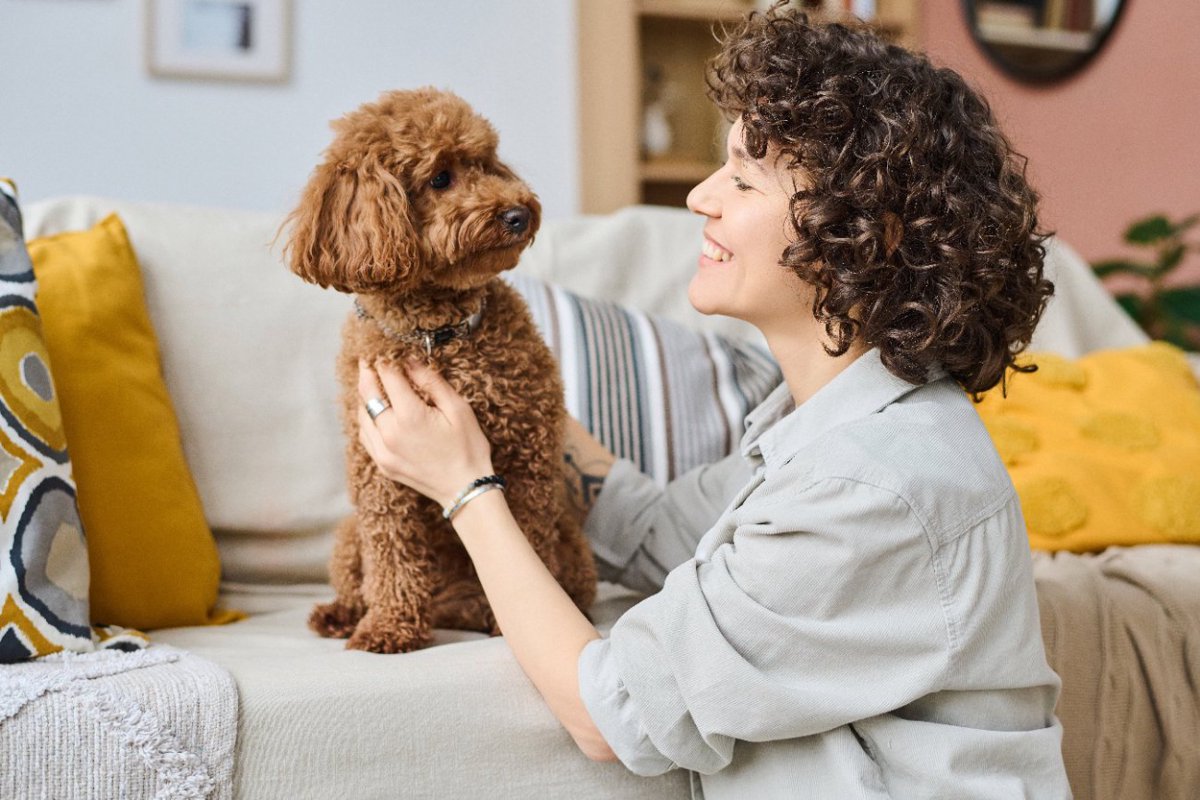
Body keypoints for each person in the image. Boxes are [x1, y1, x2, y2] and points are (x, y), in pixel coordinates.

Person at [354, 6, 1071, 798]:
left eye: (742, 174)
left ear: (870, 232)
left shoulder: (873, 483)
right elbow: (661, 530)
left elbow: (611, 712)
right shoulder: (826, 427)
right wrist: (528, 420)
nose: (700, 197)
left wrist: (464, 488)